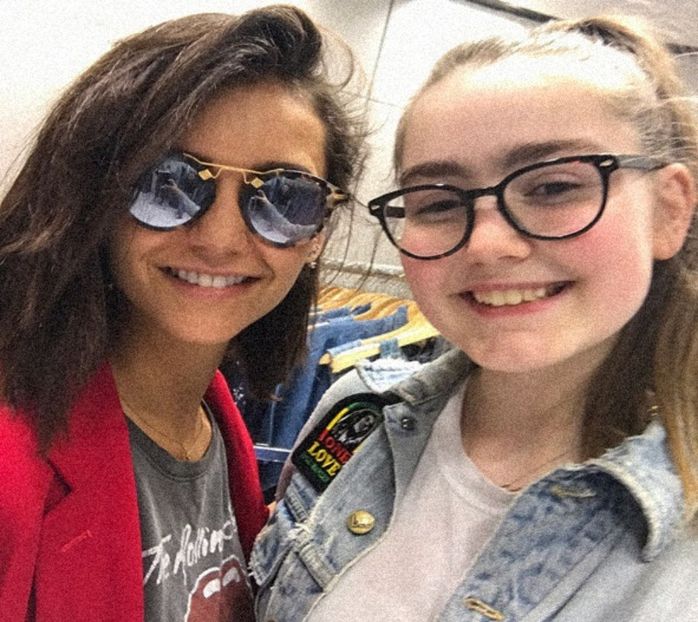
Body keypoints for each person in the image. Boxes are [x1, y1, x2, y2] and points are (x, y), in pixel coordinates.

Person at [251, 14, 698, 621]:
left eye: (554, 187)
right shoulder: (357, 414)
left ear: (669, 211)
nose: (487, 245)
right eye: (437, 202)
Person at [0, 5, 364, 621]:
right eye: (167, 182)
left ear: (318, 234)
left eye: (285, 196)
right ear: (95, 197)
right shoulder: (12, 461)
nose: (220, 239)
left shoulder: (215, 426)